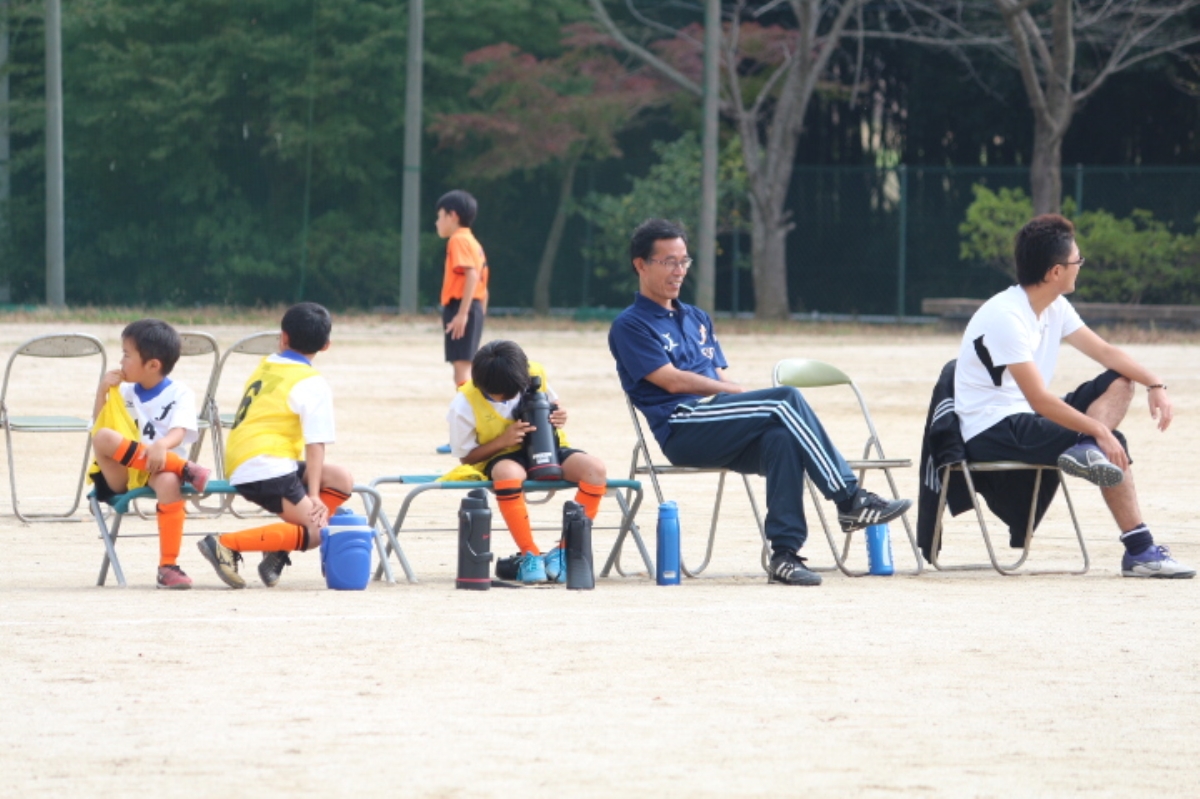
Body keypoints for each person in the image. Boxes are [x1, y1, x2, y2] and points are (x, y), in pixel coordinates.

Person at [608, 219, 911, 587]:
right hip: (682, 426)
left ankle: (784, 556)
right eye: (668, 261)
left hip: (719, 421)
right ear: (641, 265)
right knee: (785, 399)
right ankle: (849, 500)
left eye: (684, 261)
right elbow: (670, 380)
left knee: (781, 440)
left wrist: (736, 394)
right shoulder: (630, 325)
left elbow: (719, 377)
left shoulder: (697, 318)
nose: (679, 270)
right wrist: (740, 393)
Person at [954, 213, 1193, 578]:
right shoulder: (1007, 316)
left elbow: (1106, 353)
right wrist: (1099, 431)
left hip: (1026, 416)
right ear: (1055, 272)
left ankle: (1086, 448)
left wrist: (1155, 383)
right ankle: (1140, 552)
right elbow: (1039, 399)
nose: (1080, 265)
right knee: (1113, 442)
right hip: (993, 428)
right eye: (1077, 260)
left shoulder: (1054, 306)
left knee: (1120, 380)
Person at [196, 302, 355, 589]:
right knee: (317, 532)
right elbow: (315, 443)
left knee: (341, 478)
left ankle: (279, 543)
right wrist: (314, 495)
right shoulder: (312, 382)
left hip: (252, 456)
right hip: (264, 465)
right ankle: (225, 543)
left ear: (283, 337)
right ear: (326, 345)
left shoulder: (268, 363)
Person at [445, 339, 607, 584]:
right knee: (507, 473)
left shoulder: (533, 373)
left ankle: (565, 552)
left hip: (548, 446)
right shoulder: (464, 402)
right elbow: (466, 457)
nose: (506, 400)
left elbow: (554, 405)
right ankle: (529, 553)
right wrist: (502, 441)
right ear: (479, 383)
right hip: (500, 455)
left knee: (595, 470)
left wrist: (559, 415)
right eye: (498, 397)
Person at [90, 319, 210, 590]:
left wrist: (161, 445)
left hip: (158, 467)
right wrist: (101, 392)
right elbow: (99, 428)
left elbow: (180, 431)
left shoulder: (180, 392)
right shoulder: (122, 391)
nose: (120, 362)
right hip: (121, 473)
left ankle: (168, 566)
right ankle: (184, 467)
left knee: (168, 482)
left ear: (153, 365)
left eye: (126, 355)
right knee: (103, 436)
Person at [435, 189, 490, 454]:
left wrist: (462, 313)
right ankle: (471, 429)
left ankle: (466, 432)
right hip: (472, 307)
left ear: (452, 215)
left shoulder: (458, 239)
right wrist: (478, 313)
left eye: (439, 216)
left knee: (462, 372)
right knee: (463, 369)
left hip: (462, 306)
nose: (437, 223)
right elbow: (483, 285)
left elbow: (471, 276)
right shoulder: (473, 242)